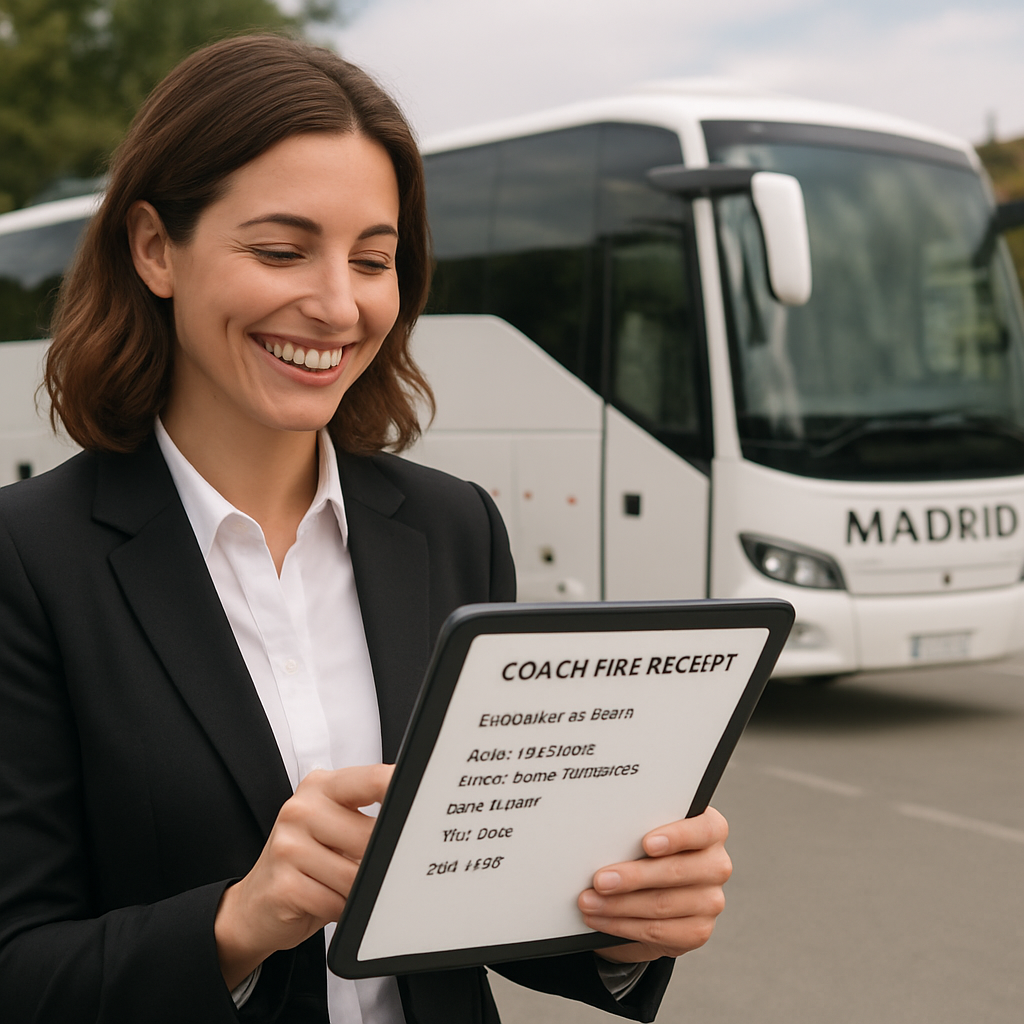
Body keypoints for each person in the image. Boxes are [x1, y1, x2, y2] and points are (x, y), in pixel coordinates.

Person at [0, 34, 732, 1024]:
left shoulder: (452, 525)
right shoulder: (30, 560)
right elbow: (21, 968)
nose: (339, 304)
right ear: (153, 248)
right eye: (280, 249)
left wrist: (621, 925)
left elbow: (488, 898)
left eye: (374, 259)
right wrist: (238, 922)